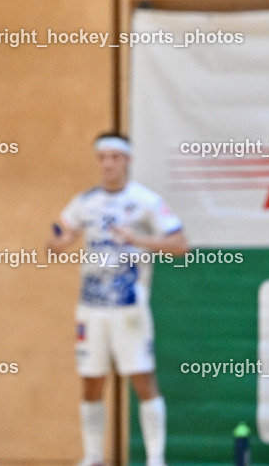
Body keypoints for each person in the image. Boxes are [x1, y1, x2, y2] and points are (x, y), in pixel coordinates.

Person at [48, 133, 190, 466]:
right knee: (91, 380)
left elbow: (181, 244)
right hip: (91, 306)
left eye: (115, 157)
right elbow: (60, 231)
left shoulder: (145, 201)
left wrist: (137, 239)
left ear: (127, 160)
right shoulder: (85, 202)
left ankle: (156, 458)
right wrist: (59, 241)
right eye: (103, 157)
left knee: (141, 377)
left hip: (129, 306)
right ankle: (93, 456)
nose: (108, 163)